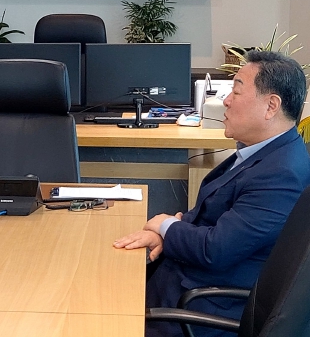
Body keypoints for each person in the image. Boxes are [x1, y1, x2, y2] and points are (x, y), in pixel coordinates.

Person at [114, 50, 310, 337]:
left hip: (200, 309)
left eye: (236, 92)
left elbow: (214, 249)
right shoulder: (262, 153)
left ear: (271, 106)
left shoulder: (282, 174)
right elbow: (208, 215)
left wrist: (165, 225)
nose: (226, 101)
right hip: (180, 284)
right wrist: (167, 233)